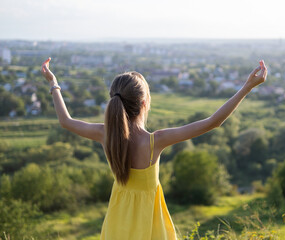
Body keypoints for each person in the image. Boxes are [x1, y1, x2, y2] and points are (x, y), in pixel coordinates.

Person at [41, 57, 267, 240]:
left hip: (117, 224)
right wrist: (247, 87)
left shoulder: (105, 134)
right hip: (150, 225)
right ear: (143, 104)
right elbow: (213, 122)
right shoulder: (155, 141)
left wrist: (53, 82)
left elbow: (66, 121)